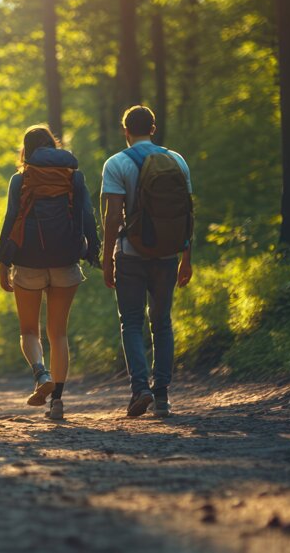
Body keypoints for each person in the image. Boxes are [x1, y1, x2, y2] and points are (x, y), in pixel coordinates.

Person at [0, 125, 100, 421]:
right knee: (59, 333)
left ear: (26, 150)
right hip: (65, 260)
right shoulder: (74, 177)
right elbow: (87, 215)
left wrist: (3, 262)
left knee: (29, 330)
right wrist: (93, 252)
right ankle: (57, 402)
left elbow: (11, 219)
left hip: (28, 261)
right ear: (53, 146)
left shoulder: (20, 179)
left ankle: (41, 375)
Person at [99, 106, 194, 418]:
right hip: (167, 254)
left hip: (130, 254)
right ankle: (162, 395)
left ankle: (140, 389)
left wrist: (107, 258)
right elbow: (186, 213)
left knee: (131, 322)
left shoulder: (116, 163)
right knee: (162, 322)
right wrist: (186, 258)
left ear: (125, 131)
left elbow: (113, 216)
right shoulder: (177, 160)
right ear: (153, 128)